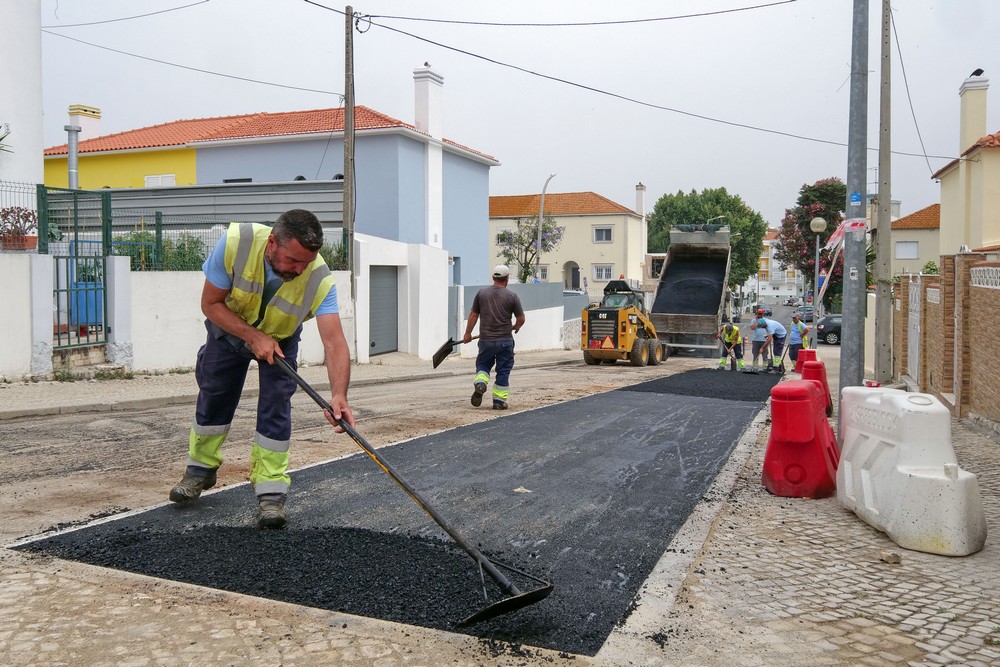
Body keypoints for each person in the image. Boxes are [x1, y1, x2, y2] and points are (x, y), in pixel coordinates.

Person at [169, 209, 355, 530]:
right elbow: (210, 304)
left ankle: (271, 491)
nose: (299, 270)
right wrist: (253, 335)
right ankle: (200, 469)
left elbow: (335, 342)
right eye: (293, 260)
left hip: (281, 340)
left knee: (276, 404)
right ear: (271, 243)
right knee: (215, 392)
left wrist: (339, 395)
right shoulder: (235, 243)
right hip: (228, 329)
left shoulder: (320, 279)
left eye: (306, 263)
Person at [463, 265, 525, 410]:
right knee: (503, 370)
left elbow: (473, 315)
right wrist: (516, 327)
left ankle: (481, 383)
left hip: (486, 340)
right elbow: (521, 318)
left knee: (483, 365)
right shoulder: (512, 296)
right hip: (505, 341)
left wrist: (468, 333)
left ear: (493, 278)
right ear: (507, 278)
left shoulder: (482, 293)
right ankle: (498, 401)